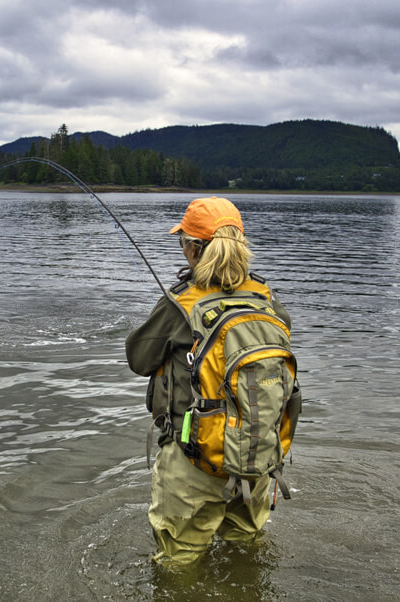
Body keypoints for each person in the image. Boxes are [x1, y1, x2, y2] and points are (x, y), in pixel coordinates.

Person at [125, 196, 298, 565]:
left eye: (182, 240)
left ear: (193, 249)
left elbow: (138, 360)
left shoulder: (181, 303)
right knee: (246, 548)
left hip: (195, 456)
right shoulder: (267, 298)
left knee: (179, 559)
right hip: (259, 452)